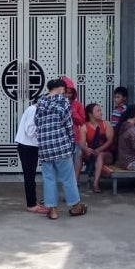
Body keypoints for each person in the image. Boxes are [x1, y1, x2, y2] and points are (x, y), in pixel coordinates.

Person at [34, 78, 87, 220]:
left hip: (45, 147)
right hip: (61, 146)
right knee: (68, 178)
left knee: (49, 178)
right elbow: (68, 124)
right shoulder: (63, 101)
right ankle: (75, 207)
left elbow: (37, 122)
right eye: (64, 89)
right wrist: (71, 142)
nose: (65, 92)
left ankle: (53, 211)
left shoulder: (40, 101)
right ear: (59, 88)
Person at [15, 101, 48, 214]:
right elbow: (30, 131)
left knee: (31, 176)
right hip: (27, 146)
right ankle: (31, 205)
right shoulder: (34, 110)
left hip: (30, 146)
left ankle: (33, 202)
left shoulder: (34, 110)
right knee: (29, 177)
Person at [79, 103, 114, 193]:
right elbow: (82, 144)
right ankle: (75, 182)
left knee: (100, 155)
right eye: (98, 111)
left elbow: (110, 141)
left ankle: (95, 184)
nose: (101, 113)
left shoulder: (106, 124)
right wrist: (86, 149)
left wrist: (98, 150)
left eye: (100, 110)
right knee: (79, 153)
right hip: (91, 153)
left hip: (106, 154)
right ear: (90, 114)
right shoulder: (84, 126)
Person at [60, 76, 85, 177]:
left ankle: (75, 180)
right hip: (62, 137)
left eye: (70, 93)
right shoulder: (57, 104)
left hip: (75, 137)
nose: (68, 95)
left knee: (77, 158)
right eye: (66, 93)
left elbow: (81, 121)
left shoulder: (77, 105)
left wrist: (72, 111)